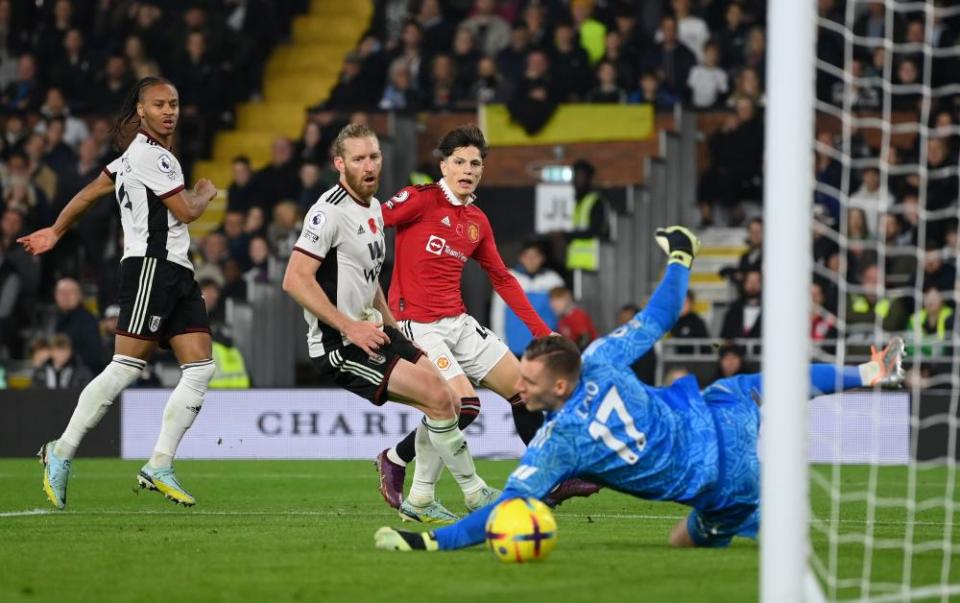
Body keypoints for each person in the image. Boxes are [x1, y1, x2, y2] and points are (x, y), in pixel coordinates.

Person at [374, 226, 906, 553]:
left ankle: (774, 526)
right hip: (724, 423)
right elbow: (663, 313)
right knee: (752, 386)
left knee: (717, 527)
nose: (521, 387)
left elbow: (501, 511)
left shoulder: (558, 443)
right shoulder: (601, 357)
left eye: (530, 382)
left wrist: (430, 542)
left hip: (721, 486)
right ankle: (865, 375)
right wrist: (680, 257)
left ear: (559, 384)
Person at [374, 125, 597, 521]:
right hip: (416, 324)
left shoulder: (476, 220)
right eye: (458, 161)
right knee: (463, 406)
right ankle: (401, 461)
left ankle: (548, 478)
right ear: (443, 166)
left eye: (475, 163)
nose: (467, 169)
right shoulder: (419, 200)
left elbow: (503, 278)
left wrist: (542, 330)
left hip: (458, 322)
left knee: (525, 391)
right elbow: (370, 224)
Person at [282, 124, 499, 524]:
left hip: (377, 330)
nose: (369, 165)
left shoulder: (374, 211)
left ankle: (419, 499)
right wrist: (349, 326)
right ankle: (474, 492)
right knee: (438, 397)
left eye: (374, 157)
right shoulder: (327, 211)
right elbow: (295, 279)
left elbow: (369, 279)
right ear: (339, 164)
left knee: (452, 400)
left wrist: (390, 323)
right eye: (359, 158)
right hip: (340, 345)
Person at [18, 77, 218, 510]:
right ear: (141, 111)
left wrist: (56, 230)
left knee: (201, 367)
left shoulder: (129, 158)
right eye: (159, 104)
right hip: (151, 267)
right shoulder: (154, 157)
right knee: (126, 366)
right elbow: (186, 211)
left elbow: (91, 192)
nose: (169, 111)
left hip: (177, 271)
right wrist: (204, 193)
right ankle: (62, 449)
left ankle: (159, 463)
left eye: (175, 103)